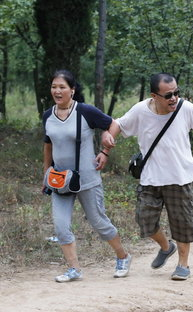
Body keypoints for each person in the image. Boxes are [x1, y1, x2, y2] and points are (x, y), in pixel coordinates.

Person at [102, 73, 193, 281]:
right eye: (168, 95)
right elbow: (120, 124)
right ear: (154, 96)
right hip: (150, 178)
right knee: (145, 221)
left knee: (182, 223)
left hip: (180, 177)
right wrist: (109, 136)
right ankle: (167, 247)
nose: (174, 98)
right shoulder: (141, 110)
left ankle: (183, 265)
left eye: (177, 93)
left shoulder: (185, 109)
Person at [42, 69, 131, 283]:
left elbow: (113, 124)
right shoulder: (47, 115)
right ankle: (74, 269)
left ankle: (123, 256)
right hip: (60, 180)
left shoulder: (85, 112)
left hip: (87, 178)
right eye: (54, 86)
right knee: (61, 226)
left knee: (99, 221)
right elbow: (47, 145)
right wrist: (45, 174)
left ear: (72, 90)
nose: (57, 90)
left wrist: (105, 148)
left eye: (62, 87)